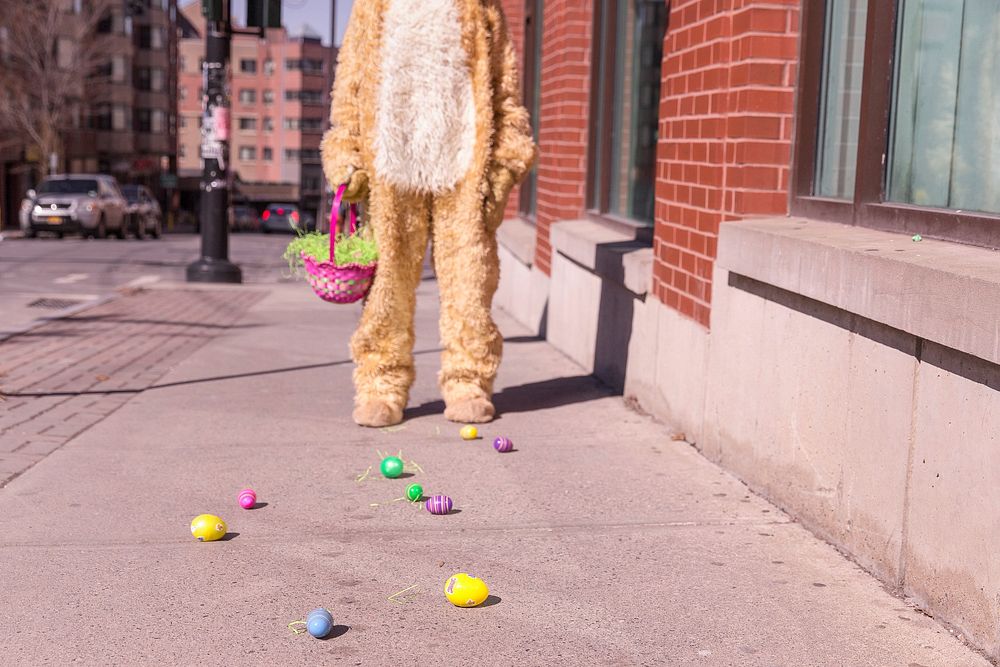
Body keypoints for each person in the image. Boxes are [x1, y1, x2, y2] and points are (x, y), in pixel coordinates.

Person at [321, 0, 536, 428]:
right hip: (391, 166)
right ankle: (380, 383)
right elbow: (350, 85)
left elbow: (505, 87)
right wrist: (345, 152)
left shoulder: (482, 6)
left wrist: (505, 165)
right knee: (387, 286)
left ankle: (468, 381)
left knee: (470, 285)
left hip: (464, 166)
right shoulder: (372, 6)